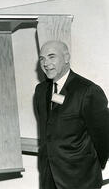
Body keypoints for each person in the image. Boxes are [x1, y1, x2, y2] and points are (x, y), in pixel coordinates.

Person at [34, 40, 109, 189]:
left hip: (80, 179)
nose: (46, 63)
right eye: (42, 58)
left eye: (51, 56)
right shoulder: (40, 91)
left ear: (66, 58)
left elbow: (104, 136)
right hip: (48, 178)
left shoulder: (88, 91)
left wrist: (91, 166)